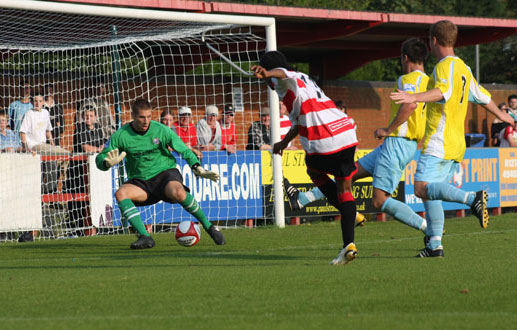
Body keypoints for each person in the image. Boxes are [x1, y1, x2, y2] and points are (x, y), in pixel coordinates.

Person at [390, 20, 514, 257]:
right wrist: (504, 117)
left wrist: (411, 96)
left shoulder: (444, 66)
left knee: (421, 188)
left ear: (433, 41)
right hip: (457, 144)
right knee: (432, 192)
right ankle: (435, 244)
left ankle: (472, 198)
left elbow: (441, 92)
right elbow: (482, 97)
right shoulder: (464, 68)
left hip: (439, 141)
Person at [284, 38, 430, 233]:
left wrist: (388, 129)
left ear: (405, 58)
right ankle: (304, 198)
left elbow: (409, 105)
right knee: (349, 174)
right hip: (406, 144)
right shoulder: (429, 82)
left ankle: (429, 230)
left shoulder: (407, 80)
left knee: (379, 201)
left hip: (397, 142)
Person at [252, 50, 359, 265]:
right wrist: (283, 143)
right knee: (344, 190)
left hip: (325, 138)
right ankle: (349, 242)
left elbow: (282, 74)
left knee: (312, 169)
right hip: (346, 132)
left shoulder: (283, 81)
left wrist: (268, 73)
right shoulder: (304, 79)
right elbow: (299, 122)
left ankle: (349, 217)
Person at [95, 99, 225, 249]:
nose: (146, 121)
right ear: (133, 115)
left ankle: (210, 227)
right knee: (121, 194)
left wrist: (196, 166)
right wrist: (106, 163)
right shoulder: (121, 135)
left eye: (149, 116)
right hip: (141, 182)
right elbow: (101, 158)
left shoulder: (160, 130)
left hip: (165, 175)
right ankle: (145, 237)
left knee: (178, 192)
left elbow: (183, 149)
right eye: (142, 117)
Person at [67, 106, 106, 235]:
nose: (88, 118)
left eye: (91, 116)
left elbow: (103, 144)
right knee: (78, 199)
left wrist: (102, 147)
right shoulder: (80, 128)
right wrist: (98, 149)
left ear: (95, 117)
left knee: (95, 196)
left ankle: (96, 226)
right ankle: (77, 228)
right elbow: (85, 147)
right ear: (83, 117)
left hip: (93, 169)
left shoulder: (99, 128)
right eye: (86, 116)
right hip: (78, 169)